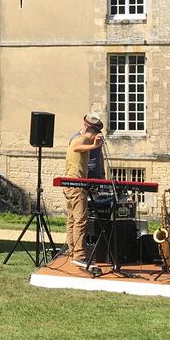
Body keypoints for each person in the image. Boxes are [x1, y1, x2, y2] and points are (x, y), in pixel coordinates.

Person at [63, 114, 105, 266]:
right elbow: (76, 147)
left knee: (72, 219)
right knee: (80, 220)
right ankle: (79, 255)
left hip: (71, 184)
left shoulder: (81, 139)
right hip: (76, 185)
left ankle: (72, 251)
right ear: (93, 134)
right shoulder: (80, 139)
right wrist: (94, 146)